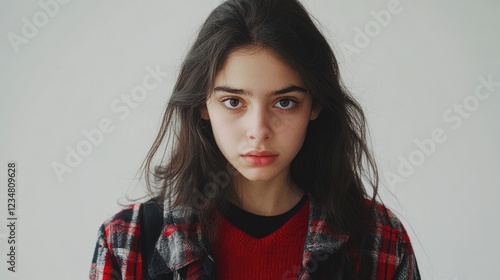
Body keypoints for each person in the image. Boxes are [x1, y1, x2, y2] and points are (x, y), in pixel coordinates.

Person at [89, 0, 421, 279]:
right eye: (233, 102)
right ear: (203, 106)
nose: (259, 130)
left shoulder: (380, 241)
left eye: (285, 102)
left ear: (315, 105)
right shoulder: (128, 241)